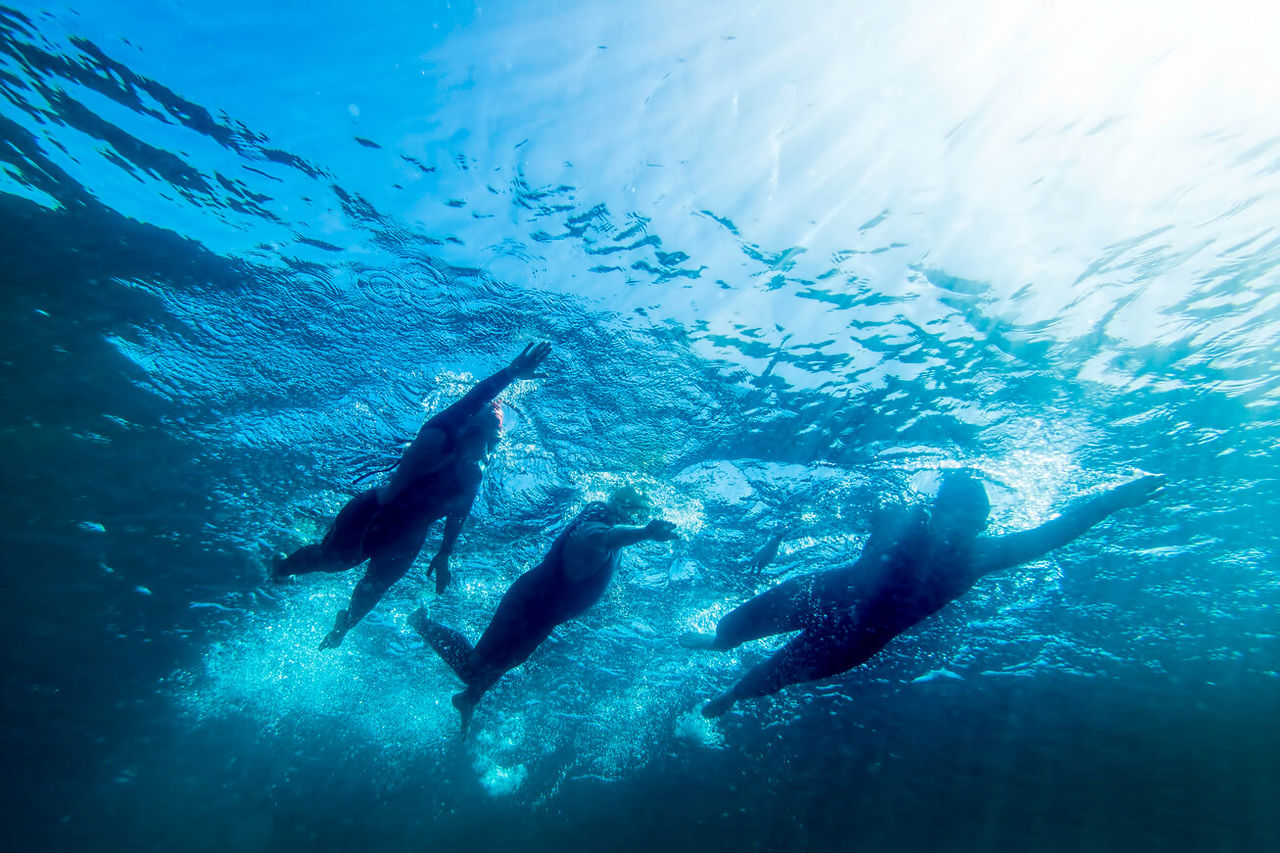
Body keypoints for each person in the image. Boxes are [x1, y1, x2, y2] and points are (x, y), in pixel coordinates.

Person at [681, 471, 1165, 717]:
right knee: (731, 633)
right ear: (937, 510)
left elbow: (1053, 533)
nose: (964, 529)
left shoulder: (979, 555)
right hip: (821, 592)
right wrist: (781, 532)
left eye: (975, 522)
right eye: (957, 516)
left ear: (982, 524)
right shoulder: (901, 516)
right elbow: (833, 504)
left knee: (769, 678)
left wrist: (1112, 500)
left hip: (857, 638)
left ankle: (728, 697)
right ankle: (719, 644)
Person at [273, 342, 552, 649]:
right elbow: (475, 398)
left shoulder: (476, 469)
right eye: (486, 428)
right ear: (470, 423)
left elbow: (460, 512)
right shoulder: (439, 433)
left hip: (407, 539)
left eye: (496, 437)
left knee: (373, 589)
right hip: (375, 513)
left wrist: (444, 554)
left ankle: (343, 628)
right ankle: (281, 569)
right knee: (333, 561)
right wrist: (511, 373)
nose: (490, 443)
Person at [411, 486, 679, 736]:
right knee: (473, 668)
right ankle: (421, 622)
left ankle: (469, 698)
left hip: (543, 616)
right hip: (529, 604)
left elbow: (613, 538)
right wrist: (645, 532)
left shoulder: (603, 525)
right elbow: (606, 537)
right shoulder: (595, 530)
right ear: (622, 508)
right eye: (639, 513)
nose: (641, 518)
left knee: (504, 664)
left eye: (644, 516)